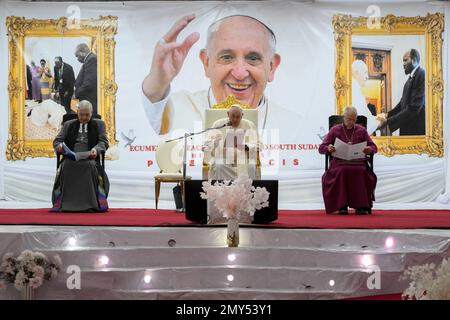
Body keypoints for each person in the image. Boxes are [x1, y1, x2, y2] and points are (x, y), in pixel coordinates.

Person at [141, 14, 301, 143]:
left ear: (272, 66)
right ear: (206, 62)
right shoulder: (178, 107)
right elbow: (151, 113)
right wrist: (157, 83)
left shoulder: (295, 127)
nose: (240, 73)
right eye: (226, 57)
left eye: (253, 58)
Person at [51, 100, 109, 212]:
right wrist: (59, 147)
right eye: (81, 114)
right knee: (66, 165)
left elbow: (104, 142)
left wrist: (96, 150)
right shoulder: (69, 125)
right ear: (77, 112)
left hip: (90, 158)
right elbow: (57, 141)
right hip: (71, 158)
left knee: (91, 166)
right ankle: (66, 205)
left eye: (87, 114)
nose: (84, 117)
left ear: (91, 113)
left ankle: (91, 204)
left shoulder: (99, 124)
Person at [319, 106, 377, 215]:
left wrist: (369, 149)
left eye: (353, 120)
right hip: (339, 164)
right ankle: (342, 206)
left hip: (358, 163)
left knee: (361, 172)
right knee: (342, 170)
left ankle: (361, 206)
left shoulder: (361, 130)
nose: (351, 122)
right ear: (343, 118)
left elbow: (374, 147)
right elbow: (321, 148)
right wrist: (328, 148)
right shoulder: (334, 130)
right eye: (348, 119)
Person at [203, 105, 259, 180]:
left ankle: (246, 190)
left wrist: (246, 146)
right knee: (220, 165)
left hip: (243, 159)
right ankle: (222, 190)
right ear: (228, 114)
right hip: (223, 157)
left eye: (238, 117)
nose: (235, 119)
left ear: (242, 115)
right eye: (233, 116)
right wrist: (215, 142)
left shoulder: (249, 125)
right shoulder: (219, 124)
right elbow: (207, 143)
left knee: (251, 167)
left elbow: (258, 144)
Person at [377, 49, 425, 135]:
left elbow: (415, 107)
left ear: (414, 60)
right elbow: (402, 104)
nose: (403, 64)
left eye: (406, 60)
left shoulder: (422, 75)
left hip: (415, 132)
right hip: (407, 128)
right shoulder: (409, 79)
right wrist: (387, 114)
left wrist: (388, 121)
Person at [351, 59, 380, 135]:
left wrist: (376, 119)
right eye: (365, 73)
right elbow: (363, 122)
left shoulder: (355, 89)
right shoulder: (353, 90)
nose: (367, 77)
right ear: (356, 73)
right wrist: (380, 120)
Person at [74, 43, 98, 114]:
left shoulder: (92, 59)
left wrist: (76, 93)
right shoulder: (89, 59)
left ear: (82, 52)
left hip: (89, 100)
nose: (77, 59)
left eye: (77, 56)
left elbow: (88, 83)